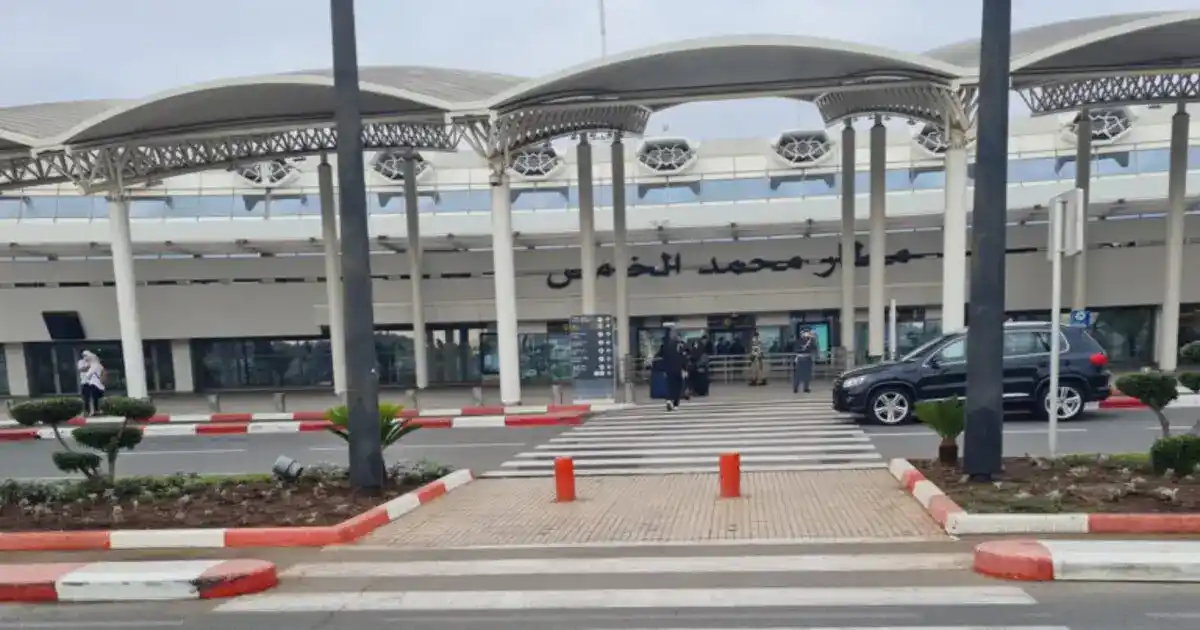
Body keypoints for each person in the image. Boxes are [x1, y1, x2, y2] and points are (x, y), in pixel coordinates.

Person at [660, 330, 685, 411]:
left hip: (669, 369)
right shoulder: (681, 346)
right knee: (678, 386)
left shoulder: (666, 346)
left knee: (670, 386)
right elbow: (683, 359)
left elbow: (663, 358)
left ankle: (669, 399)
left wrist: (664, 369)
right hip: (678, 369)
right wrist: (685, 369)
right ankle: (675, 403)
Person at [78, 350, 106, 416]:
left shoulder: (95, 363)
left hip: (94, 383)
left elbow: (101, 370)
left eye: (87, 355)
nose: (86, 357)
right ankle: (87, 411)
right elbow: (81, 369)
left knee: (96, 397)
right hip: (85, 382)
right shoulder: (81, 362)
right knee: (86, 397)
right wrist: (90, 365)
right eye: (84, 355)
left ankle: (96, 410)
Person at [793, 328, 816, 394]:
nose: (806, 334)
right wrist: (803, 348)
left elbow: (814, 349)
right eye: (805, 333)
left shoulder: (811, 341)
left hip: (808, 358)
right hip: (800, 359)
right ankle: (795, 388)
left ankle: (806, 387)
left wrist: (812, 341)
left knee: (807, 374)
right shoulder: (798, 341)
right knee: (798, 374)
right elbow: (796, 349)